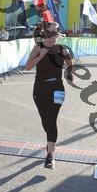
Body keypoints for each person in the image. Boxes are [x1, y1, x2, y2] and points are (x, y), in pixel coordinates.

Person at [25, 22, 74, 169]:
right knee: (46, 121)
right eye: (50, 33)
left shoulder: (62, 50)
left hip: (57, 89)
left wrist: (69, 73)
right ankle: (51, 141)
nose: (52, 37)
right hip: (39, 89)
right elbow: (27, 67)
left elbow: (70, 63)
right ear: (44, 34)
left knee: (51, 120)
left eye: (55, 33)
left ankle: (50, 155)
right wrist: (40, 56)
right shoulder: (38, 48)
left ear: (58, 35)